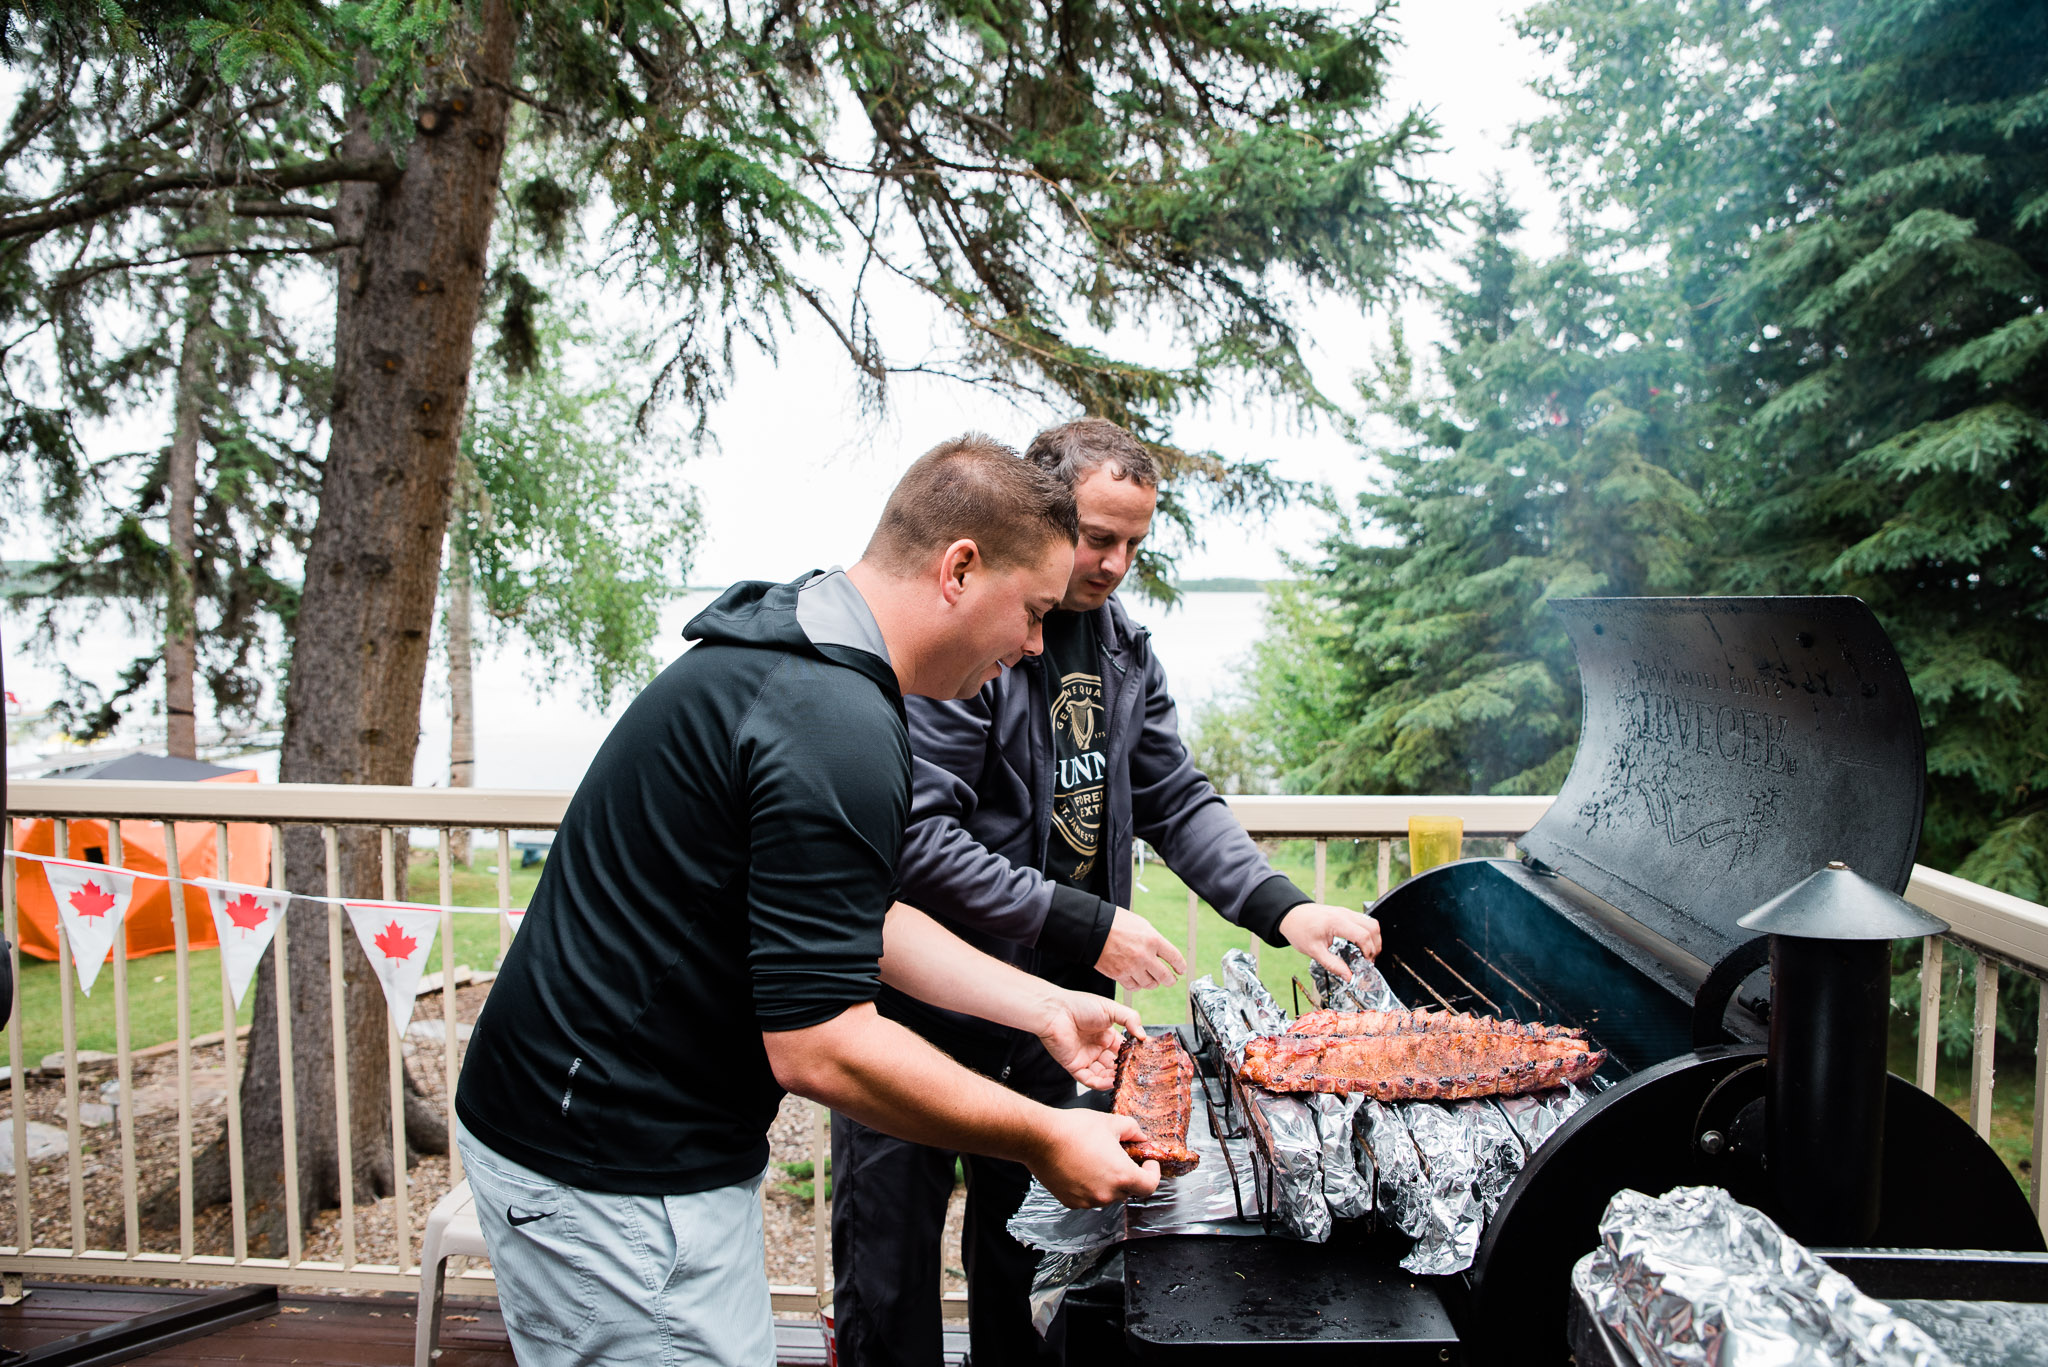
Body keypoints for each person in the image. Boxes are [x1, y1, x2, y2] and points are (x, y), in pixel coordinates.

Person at [454, 434, 1163, 1367]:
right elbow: (821, 1045)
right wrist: (1042, 1136)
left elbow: (852, 916)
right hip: (612, 1171)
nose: (1036, 643)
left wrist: (1041, 1005)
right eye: (1031, 611)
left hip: (591, 1138)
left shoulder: (803, 647)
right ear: (959, 569)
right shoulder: (833, 719)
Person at [830, 417, 1385, 1367]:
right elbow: (916, 841)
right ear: (1045, 517)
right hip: (922, 1011)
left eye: (1136, 541)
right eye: (1098, 538)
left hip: (1060, 1024)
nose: (1117, 563)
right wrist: (1088, 923)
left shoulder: (1124, 650)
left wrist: (1284, 906)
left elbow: (1175, 795)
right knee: (887, 1279)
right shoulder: (979, 641)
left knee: (1030, 1262)